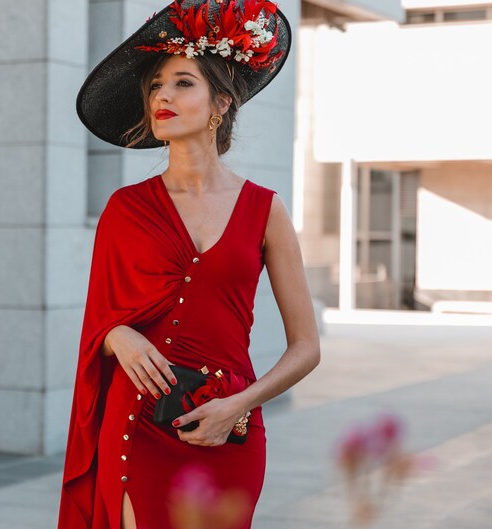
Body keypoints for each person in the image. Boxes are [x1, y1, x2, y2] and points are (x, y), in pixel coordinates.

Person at [58, 1, 320, 528]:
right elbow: (99, 317)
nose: (162, 96)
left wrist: (238, 405)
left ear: (220, 102)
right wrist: (119, 337)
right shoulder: (125, 209)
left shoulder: (266, 209)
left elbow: (307, 348)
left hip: (229, 425)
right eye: (156, 85)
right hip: (138, 425)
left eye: (181, 83)